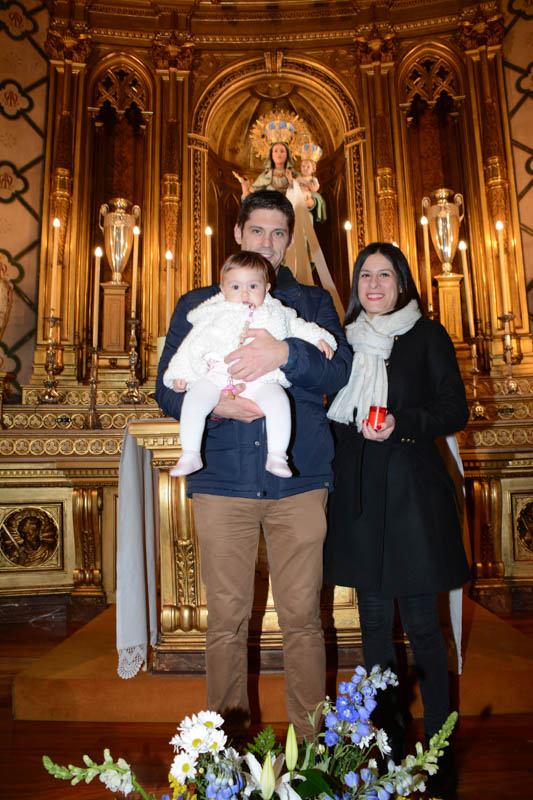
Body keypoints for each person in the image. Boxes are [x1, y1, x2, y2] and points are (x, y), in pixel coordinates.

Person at [156, 189, 352, 740]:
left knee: (303, 621)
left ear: (289, 241)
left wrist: (284, 353)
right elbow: (167, 387)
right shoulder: (200, 303)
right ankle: (227, 753)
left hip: (300, 480)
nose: (267, 242)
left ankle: (312, 753)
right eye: (257, 231)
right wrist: (216, 405)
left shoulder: (309, 303)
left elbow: (340, 372)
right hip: (223, 480)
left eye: (278, 233)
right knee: (225, 622)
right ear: (238, 234)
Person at [324, 242, 470, 796]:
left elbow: (454, 408)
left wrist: (401, 423)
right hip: (361, 500)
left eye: (385, 274)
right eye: (366, 275)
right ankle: (386, 745)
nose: (374, 284)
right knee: (373, 628)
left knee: (424, 628)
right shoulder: (343, 341)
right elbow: (329, 413)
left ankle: (437, 748)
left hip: (413, 500)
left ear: (402, 282)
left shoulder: (427, 336)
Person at [162, 250, 336, 479]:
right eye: (236, 287)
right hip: (218, 375)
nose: (244, 293)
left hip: (262, 379)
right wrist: (182, 374)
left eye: (253, 286)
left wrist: (320, 339)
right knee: (194, 399)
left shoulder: (277, 313)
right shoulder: (213, 314)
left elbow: (299, 327)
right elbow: (192, 345)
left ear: (266, 288)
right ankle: (190, 454)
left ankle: (277, 456)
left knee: (279, 401)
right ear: (223, 289)